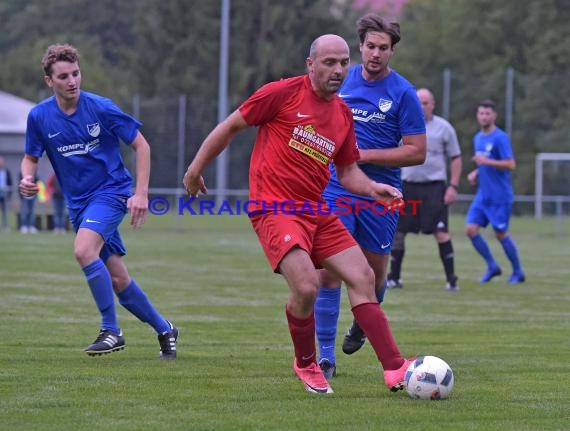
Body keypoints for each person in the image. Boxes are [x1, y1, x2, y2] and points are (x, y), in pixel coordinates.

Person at [183, 34, 414, 395]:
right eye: (329, 62)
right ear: (311, 64)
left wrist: (373, 189)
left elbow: (348, 171)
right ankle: (306, 363)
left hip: (315, 209)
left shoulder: (341, 114)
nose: (338, 70)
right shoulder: (281, 93)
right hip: (274, 207)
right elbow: (230, 127)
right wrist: (196, 169)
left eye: (342, 63)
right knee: (307, 286)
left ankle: (396, 369)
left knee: (363, 276)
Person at [19, 44, 178, 358]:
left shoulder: (101, 108)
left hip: (111, 192)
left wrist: (141, 194)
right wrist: (27, 177)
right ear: (49, 81)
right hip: (79, 205)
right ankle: (165, 329)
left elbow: (142, 146)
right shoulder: (39, 117)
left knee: (82, 250)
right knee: (118, 278)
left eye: (75, 73)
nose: (72, 81)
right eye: (63, 76)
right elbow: (29, 157)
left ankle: (111, 330)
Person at [314, 14, 426, 379]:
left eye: (383, 48)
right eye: (370, 46)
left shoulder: (403, 93)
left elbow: (416, 152)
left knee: (375, 276)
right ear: (360, 47)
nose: (376, 54)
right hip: (336, 188)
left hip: (381, 193)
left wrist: (362, 155)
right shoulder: (340, 83)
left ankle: (364, 321)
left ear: (392, 51)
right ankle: (325, 357)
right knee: (329, 274)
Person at [387, 87, 462, 292]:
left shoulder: (444, 128)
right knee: (399, 232)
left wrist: (453, 186)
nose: (421, 106)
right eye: (418, 102)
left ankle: (451, 279)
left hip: (434, 188)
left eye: (425, 103)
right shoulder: (403, 125)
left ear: (433, 104)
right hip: (408, 187)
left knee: (441, 232)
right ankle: (394, 277)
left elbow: (456, 158)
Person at [465, 99, 525, 284]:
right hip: (483, 195)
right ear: (477, 115)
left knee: (500, 234)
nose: (484, 116)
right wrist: (476, 173)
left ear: (494, 116)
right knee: (470, 230)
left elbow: (510, 164)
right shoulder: (478, 138)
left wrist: (486, 162)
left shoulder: (500, 137)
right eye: (481, 113)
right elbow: (485, 164)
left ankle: (518, 272)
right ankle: (492, 266)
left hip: (500, 196)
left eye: (487, 113)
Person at [0, 156, 13, 231]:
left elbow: (10, 182)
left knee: (5, 211)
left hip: (5, 192)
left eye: (2, 161)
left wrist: (9, 193)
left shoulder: (7, 171)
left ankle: (6, 226)